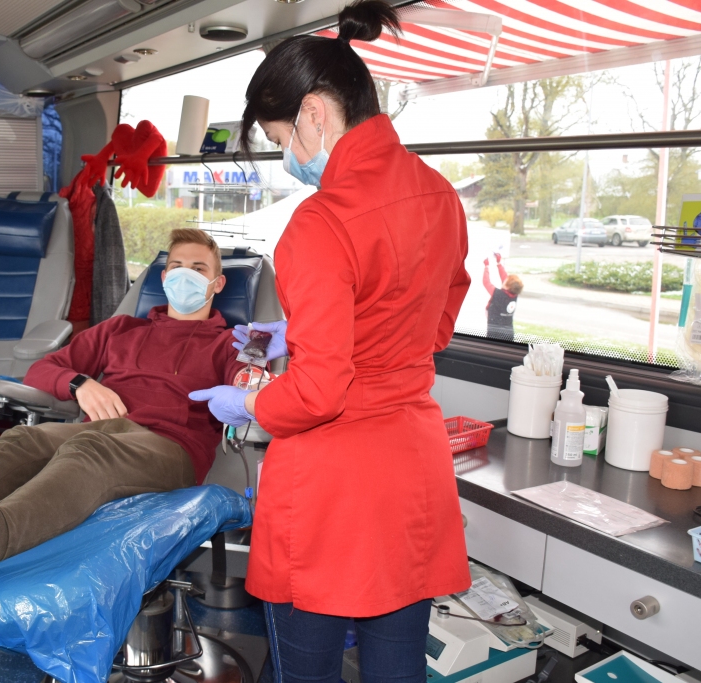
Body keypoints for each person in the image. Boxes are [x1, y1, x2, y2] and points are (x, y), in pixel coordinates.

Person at [188, 2, 472, 680]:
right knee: (396, 665)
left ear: (316, 111)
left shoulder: (318, 224)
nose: (291, 155)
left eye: (283, 136)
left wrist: (250, 402)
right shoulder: (440, 195)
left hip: (333, 489)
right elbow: (434, 325)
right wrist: (337, 329)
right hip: (411, 475)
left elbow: (319, 391)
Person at [0, 228, 245, 566]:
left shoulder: (229, 344)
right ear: (163, 278)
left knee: (88, 453)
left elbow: (247, 389)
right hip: (102, 430)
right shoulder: (121, 330)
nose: (185, 276)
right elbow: (43, 370)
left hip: (170, 447)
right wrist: (81, 384)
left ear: (217, 284)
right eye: (177, 266)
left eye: (198, 269)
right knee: (23, 440)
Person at [483, 253, 523, 341]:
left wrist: (486, 267)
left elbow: (486, 282)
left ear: (507, 286)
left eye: (507, 280)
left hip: (495, 332)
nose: (505, 279)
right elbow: (504, 277)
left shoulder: (498, 294)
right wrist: (499, 263)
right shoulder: (514, 295)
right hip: (509, 331)